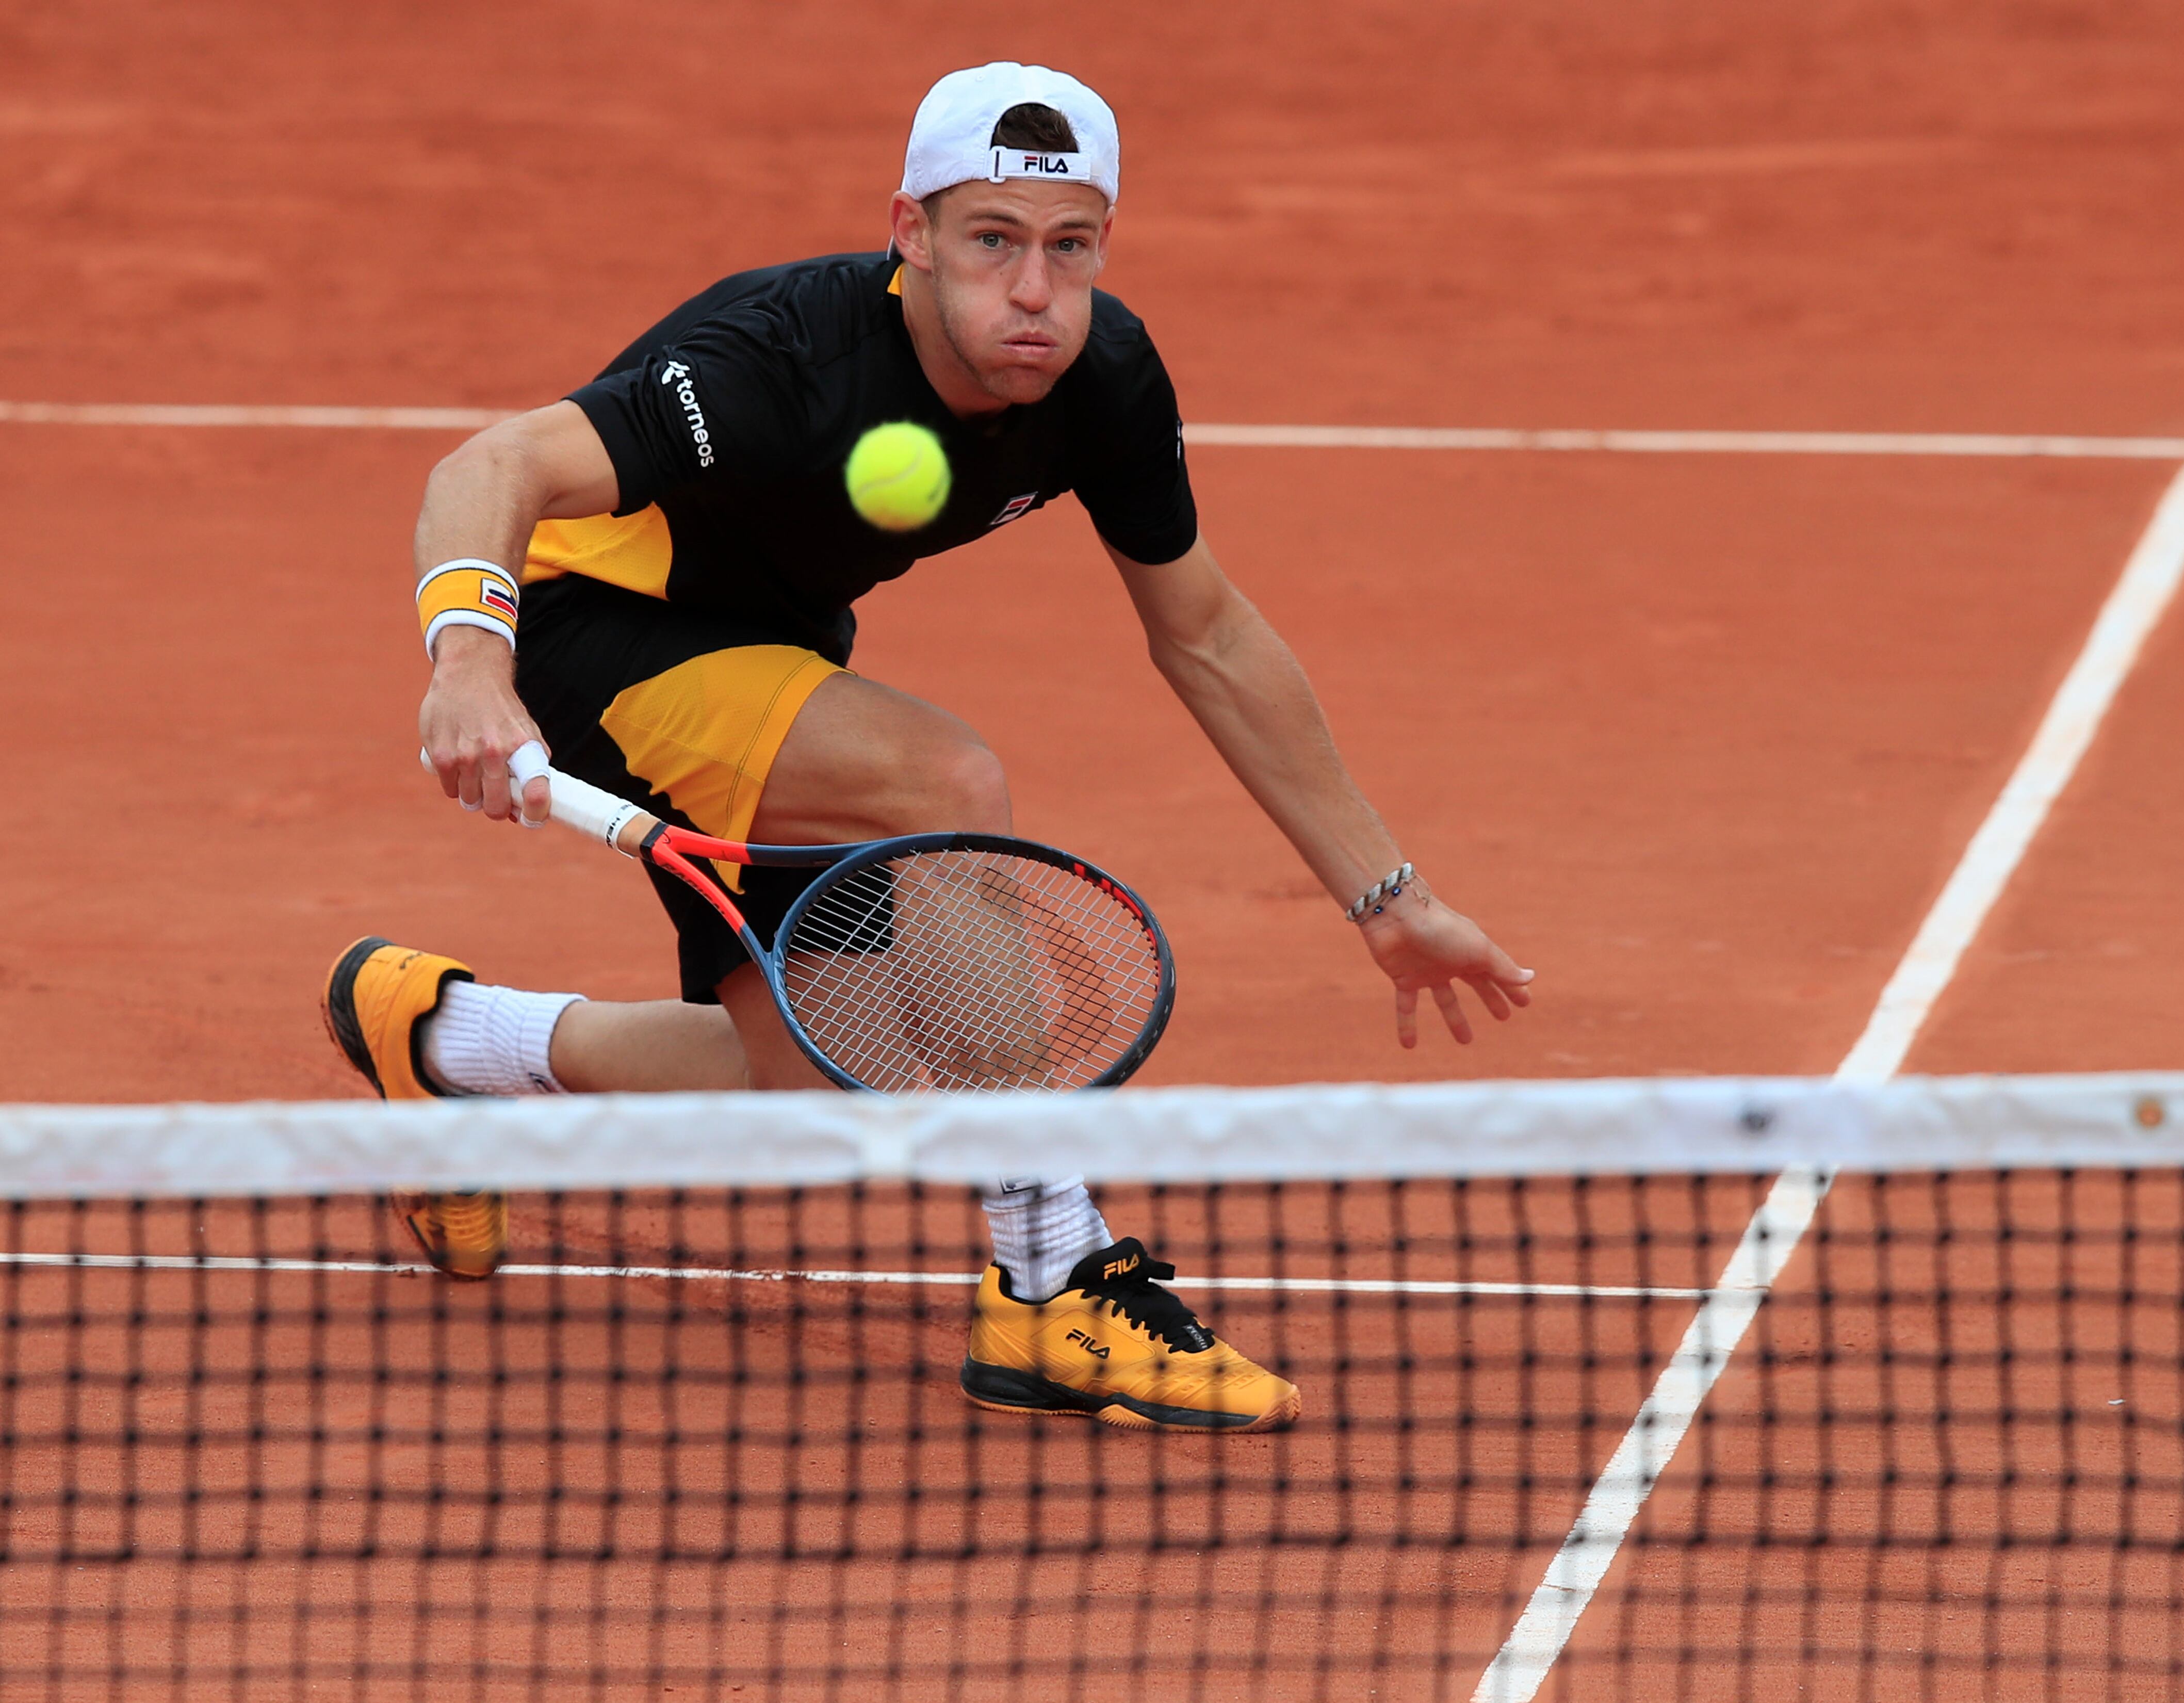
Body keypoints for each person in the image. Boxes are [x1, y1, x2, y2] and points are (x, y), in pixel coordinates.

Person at [322, 62, 1533, 1435]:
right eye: (994, 243)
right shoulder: (775, 361)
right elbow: (489, 469)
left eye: (1071, 247)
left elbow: (1207, 635)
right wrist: (469, 666)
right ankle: (1051, 1277)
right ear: (912, 234)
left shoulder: (1100, 378)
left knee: (812, 1090)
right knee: (944, 780)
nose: (1036, 292)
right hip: (591, 633)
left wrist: (1390, 895)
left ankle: (450, 1043)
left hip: (766, 661)